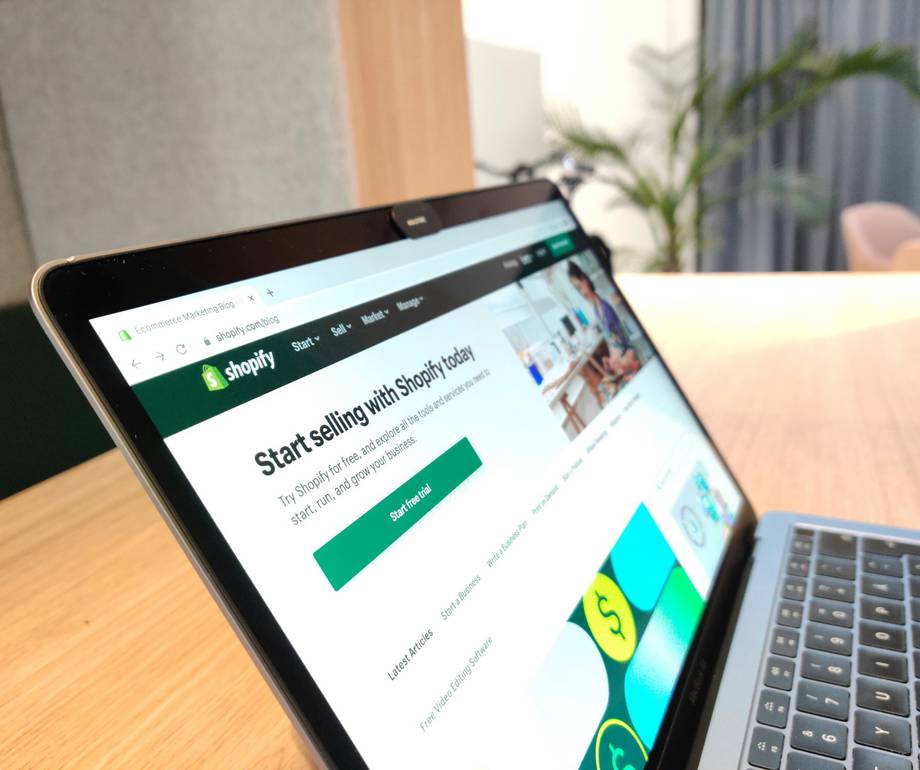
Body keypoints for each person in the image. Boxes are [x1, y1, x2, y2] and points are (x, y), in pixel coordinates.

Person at [567, 260, 628, 349]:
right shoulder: (596, 309)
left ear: (584, 279)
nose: (582, 293)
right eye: (578, 290)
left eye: (580, 287)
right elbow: (613, 341)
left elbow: (624, 339)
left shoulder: (606, 303)